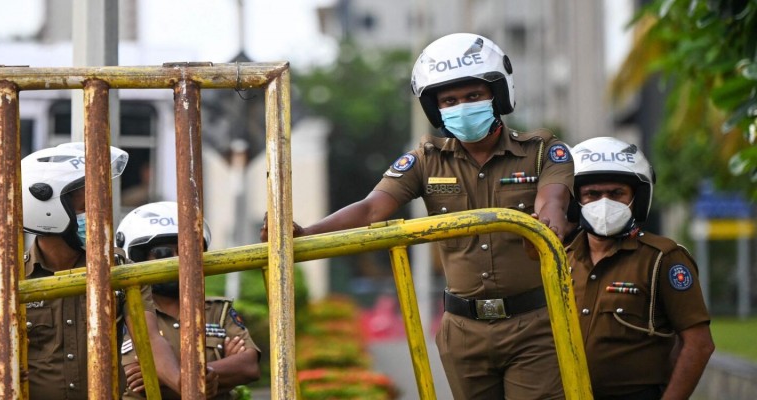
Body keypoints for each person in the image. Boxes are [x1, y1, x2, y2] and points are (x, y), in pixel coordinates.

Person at [261, 33, 574, 399]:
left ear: (498, 95)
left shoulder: (543, 152)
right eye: (450, 100)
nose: (462, 106)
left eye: (473, 96)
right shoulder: (425, 160)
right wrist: (306, 232)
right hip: (463, 331)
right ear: (435, 109)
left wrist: (545, 227)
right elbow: (372, 207)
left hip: (534, 326)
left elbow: (552, 202)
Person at [0, 142, 183, 398]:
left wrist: (186, 382)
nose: (96, 216)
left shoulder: (118, 267)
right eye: (85, 208)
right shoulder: (0, 278)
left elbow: (150, 342)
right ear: (47, 210)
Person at [565, 136, 714, 399]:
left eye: (616, 194)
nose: (603, 203)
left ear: (638, 197)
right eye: (592, 194)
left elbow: (699, 344)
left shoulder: (663, 258)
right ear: (576, 200)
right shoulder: (559, 259)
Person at [115, 201, 261, 399]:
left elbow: (249, 367)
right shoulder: (123, 313)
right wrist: (221, 372)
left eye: (186, 250)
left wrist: (184, 375)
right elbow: (134, 381)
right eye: (163, 253)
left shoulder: (218, 310)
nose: (178, 259)